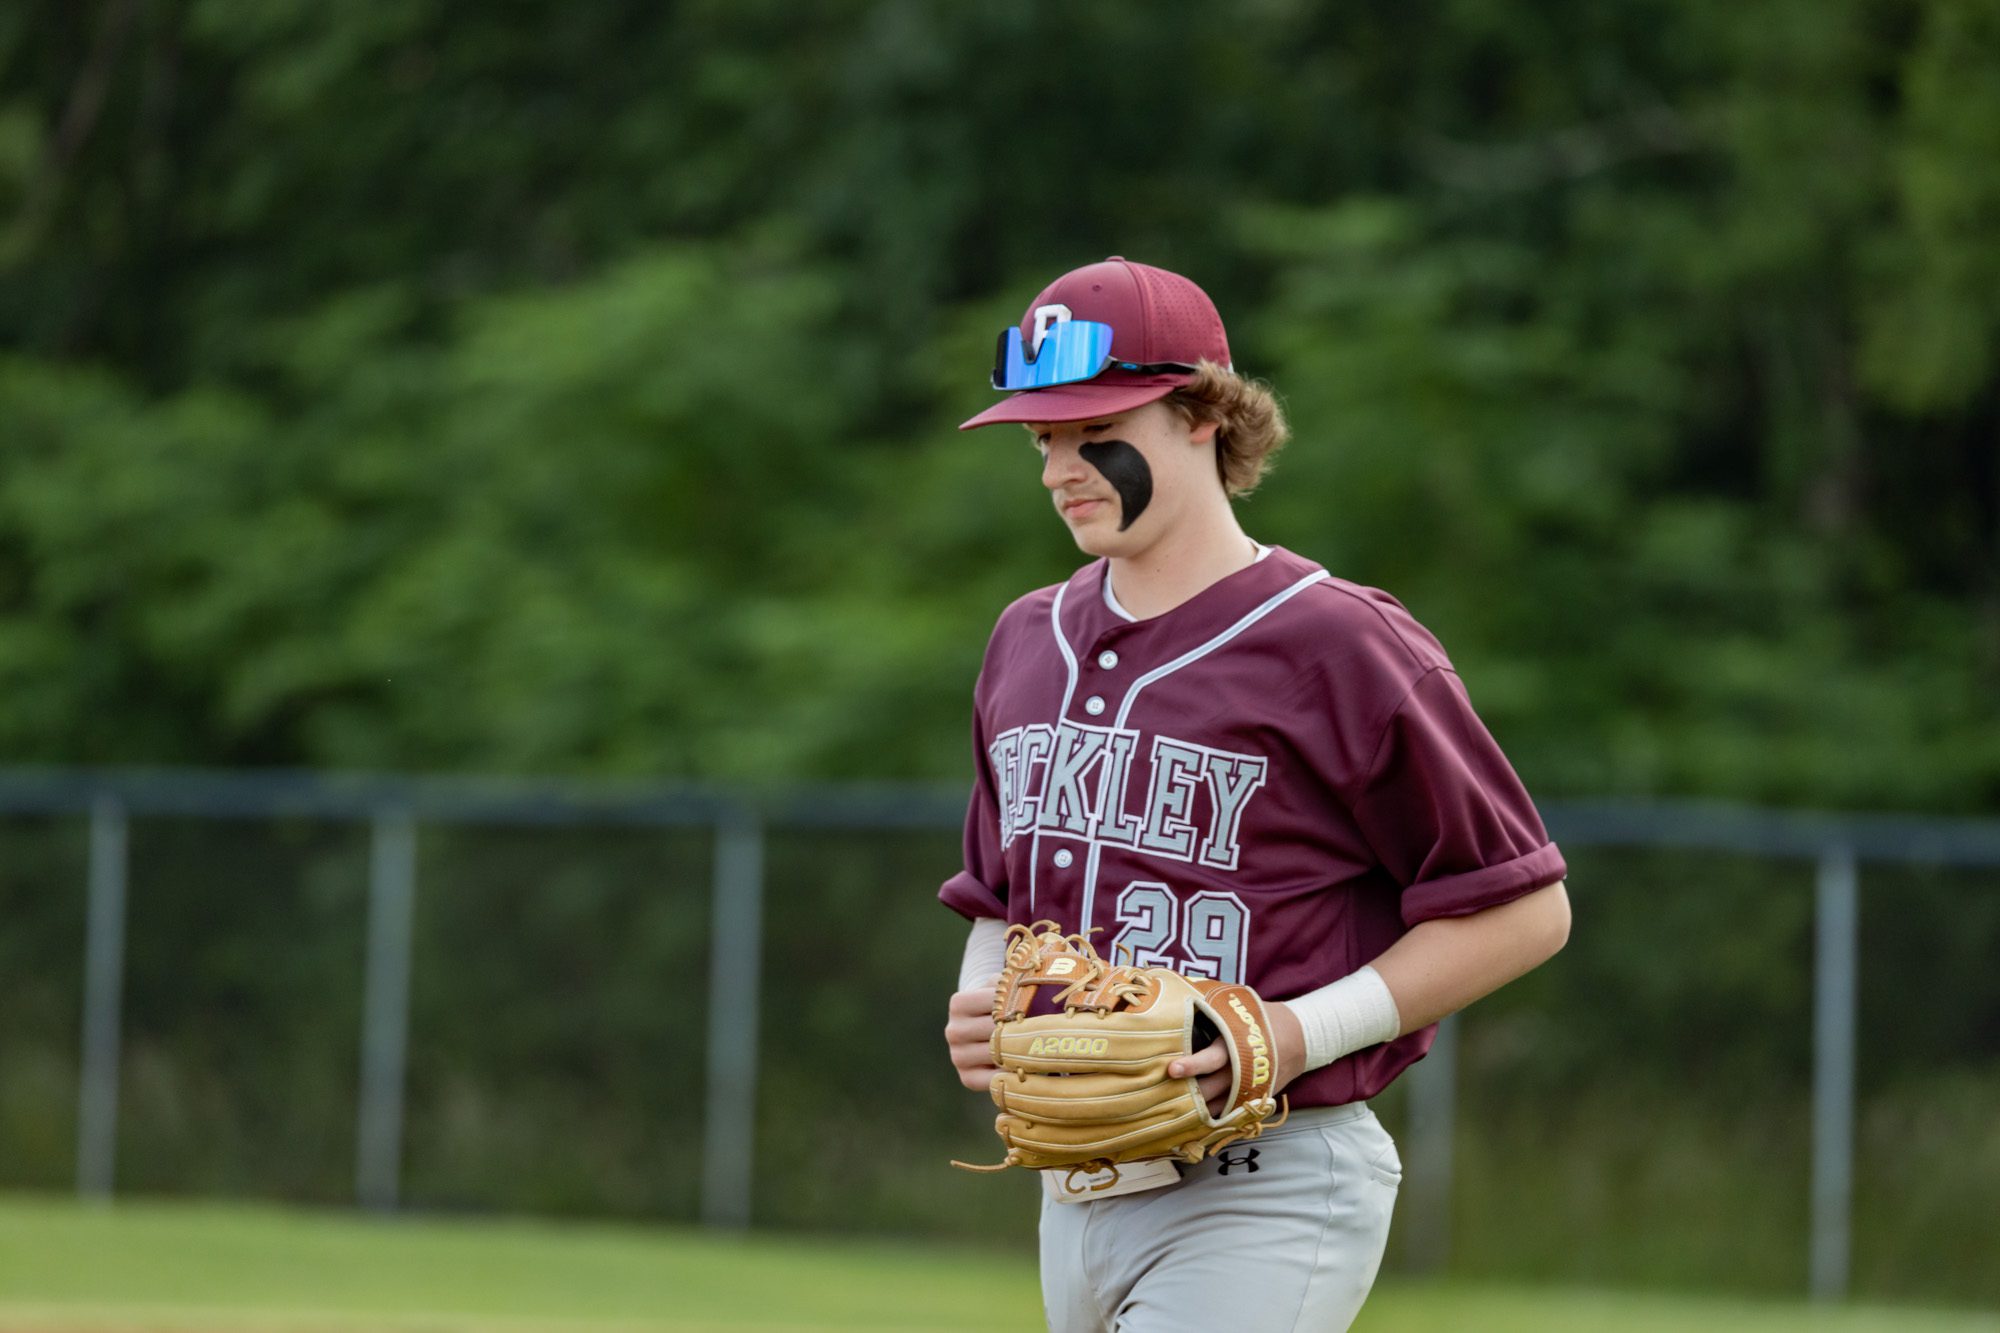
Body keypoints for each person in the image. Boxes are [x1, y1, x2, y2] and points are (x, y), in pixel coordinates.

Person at [939, 257, 1573, 1331]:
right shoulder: (1023, 638)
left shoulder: (1336, 640)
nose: (1057, 468)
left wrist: (1291, 1029)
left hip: (1264, 1174)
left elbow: (1520, 906)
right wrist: (988, 999)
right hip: (1073, 1185)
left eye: (1093, 427)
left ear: (1201, 412)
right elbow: (1003, 892)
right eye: (1039, 437)